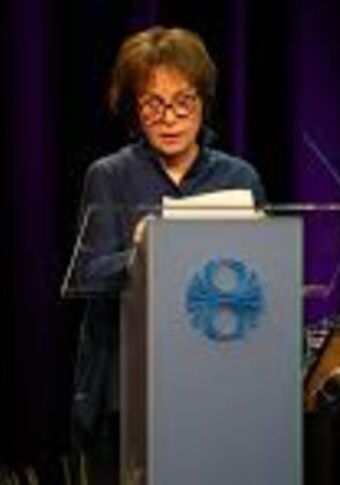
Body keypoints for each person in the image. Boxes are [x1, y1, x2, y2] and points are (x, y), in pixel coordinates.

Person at [70, 26, 266, 479]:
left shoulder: (239, 178)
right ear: (134, 109)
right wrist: (140, 251)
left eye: (183, 101)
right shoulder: (110, 175)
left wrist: (263, 254)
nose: (170, 117)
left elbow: (258, 292)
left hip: (217, 388)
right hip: (127, 389)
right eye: (153, 104)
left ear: (203, 102)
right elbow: (86, 276)